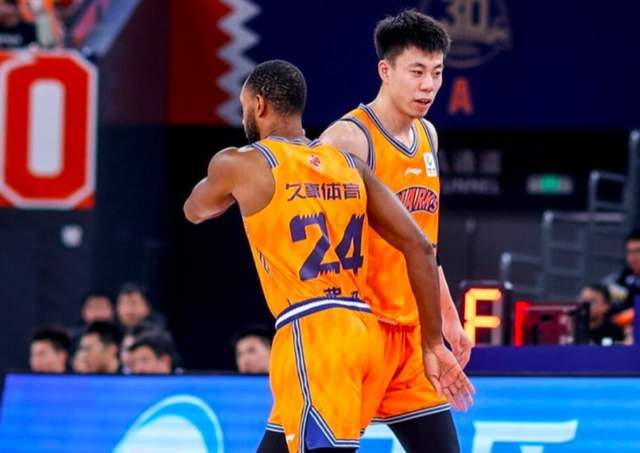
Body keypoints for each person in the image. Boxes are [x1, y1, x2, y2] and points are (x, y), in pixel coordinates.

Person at [184, 59, 473, 453]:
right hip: (366, 329)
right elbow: (420, 246)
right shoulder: (348, 164)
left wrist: (233, 191)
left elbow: (195, 210)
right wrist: (432, 342)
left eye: (244, 106)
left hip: (313, 329)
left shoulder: (241, 163)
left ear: (259, 105)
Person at [316, 10, 472, 451]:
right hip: (358, 336)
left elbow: (424, 243)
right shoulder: (347, 140)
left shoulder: (428, 136)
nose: (429, 85)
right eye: (417, 72)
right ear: (385, 70)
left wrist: (447, 317)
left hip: (412, 340)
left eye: (437, 73)